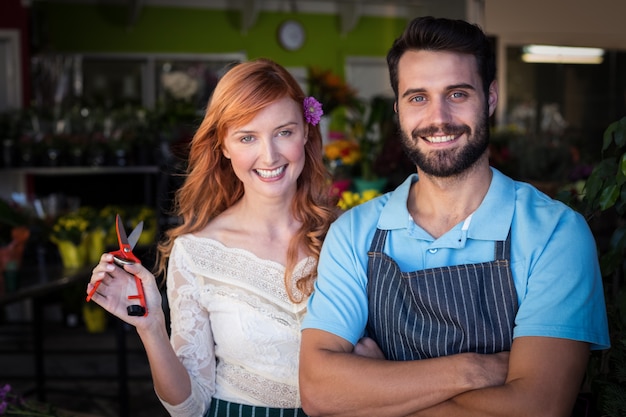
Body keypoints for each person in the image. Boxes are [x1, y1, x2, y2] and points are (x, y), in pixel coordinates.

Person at [299, 16, 610, 417]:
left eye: (457, 93)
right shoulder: (355, 233)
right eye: (418, 98)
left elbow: (538, 407)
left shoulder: (555, 233)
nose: (438, 117)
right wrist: (475, 369)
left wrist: (380, 385)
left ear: (491, 98)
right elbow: (321, 394)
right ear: (398, 110)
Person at [86, 58, 337, 416]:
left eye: (284, 132)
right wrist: (152, 326)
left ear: (306, 132)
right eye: (247, 137)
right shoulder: (196, 253)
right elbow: (189, 407)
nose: (270, 155)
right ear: (223, 146)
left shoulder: (346, 236)